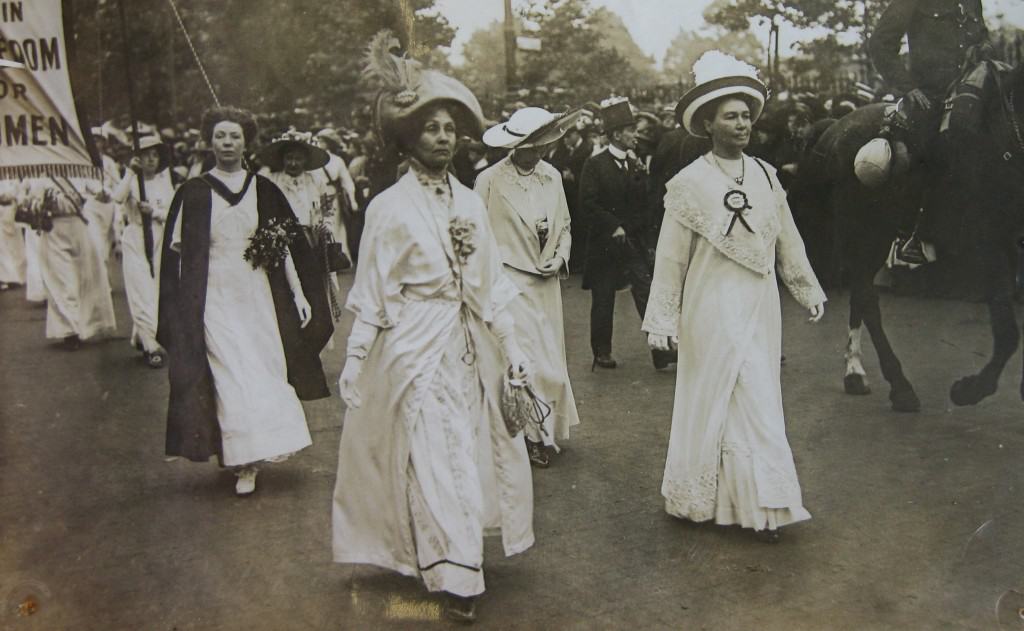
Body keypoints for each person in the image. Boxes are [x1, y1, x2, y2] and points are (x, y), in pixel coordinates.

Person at [332, 33, 534, 623]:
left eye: (449, 129)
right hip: (412, 344)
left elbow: (492, 284)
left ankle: (457, 552)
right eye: (430, 129)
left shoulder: (471, 203)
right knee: (429, 453)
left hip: (465, 344)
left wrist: (514, 348)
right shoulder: (388, 209)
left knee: (464, 449)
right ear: (409, 138)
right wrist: (355, 357)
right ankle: (455, 574)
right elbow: (372, 291)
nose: (442, 139)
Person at [643, 51, 826, 543]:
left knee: (757, 394)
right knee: (724, 395)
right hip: (711, 306)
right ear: (708, 123)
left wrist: (805, 287)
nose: (742, 123)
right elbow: (670, 259)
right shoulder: (688, 184)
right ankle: (721, 499)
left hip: (759, 305)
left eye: (747, 114)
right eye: (731, 115)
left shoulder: (766, 175)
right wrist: (662, 318)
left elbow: (788, 237)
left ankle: (757, 503)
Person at [157, 106, 330, 496]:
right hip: (214, 295)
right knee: (229, 372)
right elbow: (181, 255)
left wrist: (300, 295)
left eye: (234, 136)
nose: (228, 143)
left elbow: (283, 247)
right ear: (209, 142)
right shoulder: (195, 191)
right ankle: (244, 461)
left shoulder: (263, 188)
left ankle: (262, 443)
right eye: (220, 136)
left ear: (245, 142)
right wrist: (184, 310)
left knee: (263, 368)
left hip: (258, 296)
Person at [476, 106, 583, 467]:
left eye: (542, 145)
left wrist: (561, 256)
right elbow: (478, 234)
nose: (537, 152)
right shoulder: (490, 180)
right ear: (514, 144)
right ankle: (530, 435)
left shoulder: (551, 176)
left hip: (546, 281)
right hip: (509, 279)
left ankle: (546, 429)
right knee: (526, 358)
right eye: (530, 145)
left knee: (551, 359)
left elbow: (565, 225)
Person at [867, 0, 990, 260]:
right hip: (930, 94)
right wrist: (907, 86)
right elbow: (880, 44)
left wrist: (982, 48)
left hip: (972, 89)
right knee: (926, 154)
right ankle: (911, 236)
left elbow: (983, 37)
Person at [579, 97, 674, 370]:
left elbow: (644, 205)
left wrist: (636, 231)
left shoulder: (635, 164)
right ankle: (602, 352)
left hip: (632, 242)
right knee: (603, 298)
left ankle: (661, 351)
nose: (636, 135)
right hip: (604, 245)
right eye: (631, 130)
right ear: (617, 134)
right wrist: (613, 226)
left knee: (646, 290)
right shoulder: (595, 165)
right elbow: (588, 204)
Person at [261, 130, 343, 345]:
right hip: (285, 241)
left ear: (305, 160)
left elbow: (328, 208)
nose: (294, 163)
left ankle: (316, 332)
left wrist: (326, 225)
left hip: (311, 240)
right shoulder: (273, 180)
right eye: (289, 158)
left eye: (298, 158)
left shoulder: (316, 181)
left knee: (314, 287)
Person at [112, 136, 179, 368]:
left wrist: (155, 212)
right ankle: (152, 346)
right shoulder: (132, 181)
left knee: (156, 290)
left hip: (160, 237)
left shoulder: (163, 181)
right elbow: (117, 198)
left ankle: (142, 335)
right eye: (146, 154)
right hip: (136, 237)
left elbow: (172, 211)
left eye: (155, 154)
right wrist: (130, 173)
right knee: (140, 288)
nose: (151, 159)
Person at [28, 178, 117, 349]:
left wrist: (103, 194)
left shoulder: (79, 174)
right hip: (54, 230)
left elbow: (102, 192)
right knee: (63, 282)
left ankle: (90, 324)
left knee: (86, 278)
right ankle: (70, 331)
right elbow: (32, 205)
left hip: (79, 228)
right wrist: (42, 204)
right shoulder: (42, 179)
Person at [0, 180, 25, 290]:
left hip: (12, 214)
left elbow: (20, 195)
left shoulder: (14, 181)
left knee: (16, 248)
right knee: (3, 249)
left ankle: (17, 276)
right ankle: (4, 278)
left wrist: (14, 199)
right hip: (1, 215)